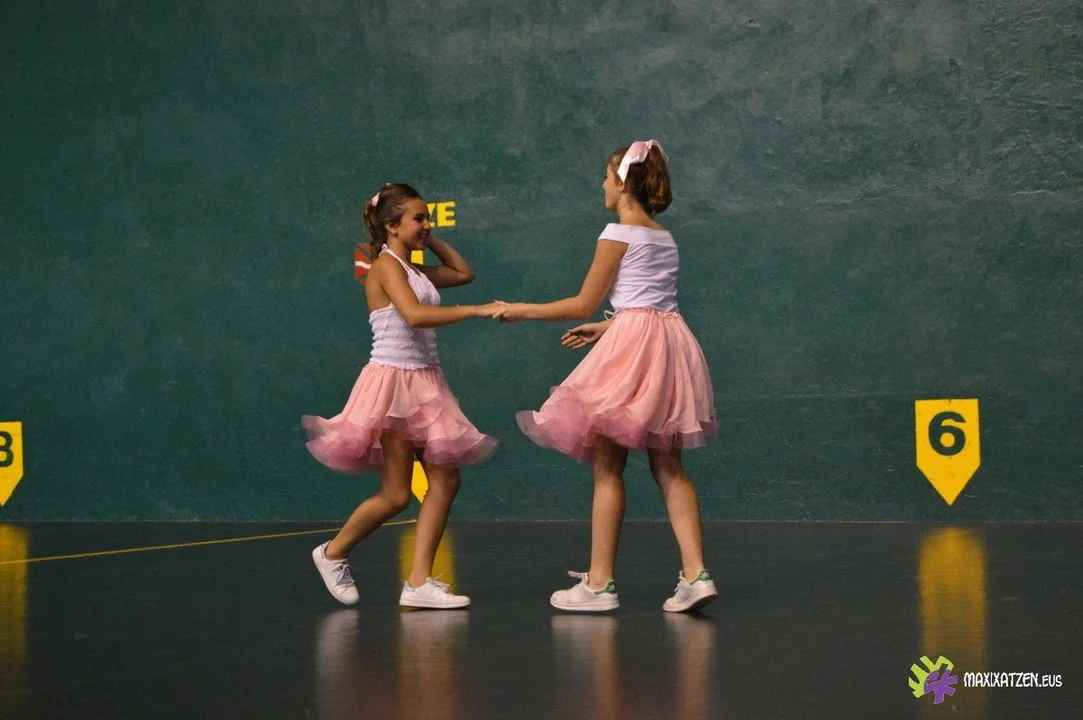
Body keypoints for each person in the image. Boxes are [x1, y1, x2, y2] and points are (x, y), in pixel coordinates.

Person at [494, 141, 719, 613]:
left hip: (631, 352)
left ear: (621, 182)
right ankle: (697, 575)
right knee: (670, 468)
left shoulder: (616, 232)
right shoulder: (664, 236)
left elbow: (582, 303)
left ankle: (599, 585)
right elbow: (651, 305)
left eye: (605, 176)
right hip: (670, 347)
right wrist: (607, 326)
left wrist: (521, 310)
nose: (601, 185)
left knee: (607, 468)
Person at [303, 182, 502, 609]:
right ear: (391, 226)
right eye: (418, 218)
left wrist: (428, 237)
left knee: (445, 480)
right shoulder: (385, 266)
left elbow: (464, 273)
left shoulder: (414, 269)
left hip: (425, 382)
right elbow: (413, 315)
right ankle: (333, 552)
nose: (426, 224)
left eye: (428, 218)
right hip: (393, 387)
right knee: (396, 496)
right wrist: (475, 310)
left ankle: (418, 582)